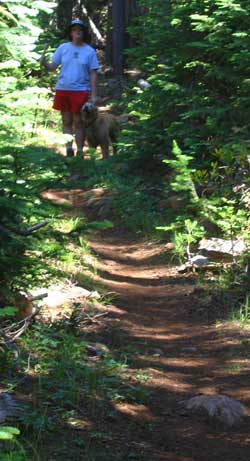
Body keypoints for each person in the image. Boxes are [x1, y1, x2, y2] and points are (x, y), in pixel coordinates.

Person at [40, 19, 99, 157]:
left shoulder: (89, 51)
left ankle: (79, 151)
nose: (77, 32)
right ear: (70, 33)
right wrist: (44, 63)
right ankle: (68, 149)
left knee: (79, 122)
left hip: (80, 90)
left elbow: (93, 74)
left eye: (80, 30)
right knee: (66, 120)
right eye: (74, 30)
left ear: (84, 33)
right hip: (63, 89)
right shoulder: (63, 48)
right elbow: (52, 67)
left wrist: (94, 94)